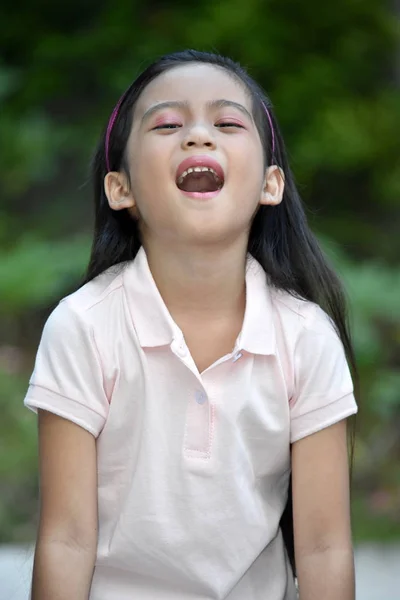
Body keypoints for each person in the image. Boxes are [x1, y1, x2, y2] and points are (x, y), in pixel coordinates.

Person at [24, 49, 358, 600]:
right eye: (168, 124)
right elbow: (66, 538)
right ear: (120, 188)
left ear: (270, 184)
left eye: (227, 122)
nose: (199, 135)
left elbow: (324, 546)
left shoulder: (306, 337)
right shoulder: (83, 326)